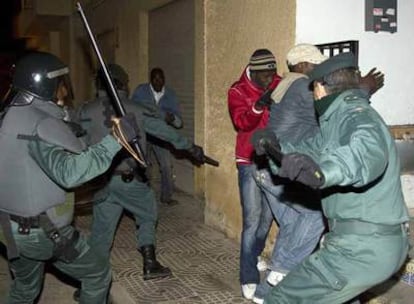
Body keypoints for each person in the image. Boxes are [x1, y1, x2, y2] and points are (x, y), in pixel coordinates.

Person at [257, 52, 409, 304]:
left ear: (319, 88)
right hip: (365, 244)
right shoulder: (336, 119)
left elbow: (365, 153)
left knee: (281, 299)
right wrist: (275, 149)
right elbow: (308, 148)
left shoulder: (357, 116)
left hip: (361, 248)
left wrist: (323, 172)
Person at [0, 52, 138, 304]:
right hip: (41, 231)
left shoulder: (9, 115)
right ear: (44, 85)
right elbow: (70, 173)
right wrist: (116, 139)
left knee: (24, 290)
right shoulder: (37, 124)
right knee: (98, 273)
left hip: (7, 227)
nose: (63, 92)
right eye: (59, 85)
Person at [76, 64, 205, 290]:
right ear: (122, 84)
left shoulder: (85, 111)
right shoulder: (136, 108)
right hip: (130, 179)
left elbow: (76, 143)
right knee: (147, 212)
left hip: (101, 182)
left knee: (101, 233)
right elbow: (165, 132)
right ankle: (150, 262)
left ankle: (90, 283)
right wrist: (190, 147)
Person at [251, 44, 328, 304]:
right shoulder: (303, 86)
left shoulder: (283, 84)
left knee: (293, 225)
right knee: (316, 216)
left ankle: (265, 292)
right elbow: (329, 113)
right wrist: (362, 90)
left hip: (265, 170)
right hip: (279, 171)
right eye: (316, 64)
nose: (320, 69)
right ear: (303, 66)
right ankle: (279, 273)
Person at [227, 48, 282, 299]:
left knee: (268, 217)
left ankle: (255, 252)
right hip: (248, 161)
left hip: (272, 162)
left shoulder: (278, 83)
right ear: (253, 70)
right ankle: (247, 274)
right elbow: (242, 123)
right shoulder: (237, 90)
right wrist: (259, 106)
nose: (270, 78)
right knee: (252, 219)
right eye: (265, 74)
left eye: (273, 72)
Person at [131, 68, 183, 205]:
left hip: (161, 135)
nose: (158, 81)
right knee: (142, 164)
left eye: (160, 79)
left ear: (164, 79)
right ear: (150, 79)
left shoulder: (170, 95)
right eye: (155, 79)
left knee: (166, 165)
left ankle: (166, 197)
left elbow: (179, 121)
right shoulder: (141, 91)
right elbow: (131, 108)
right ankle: (141, 196)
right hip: (143, 133)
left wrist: (171, 118)